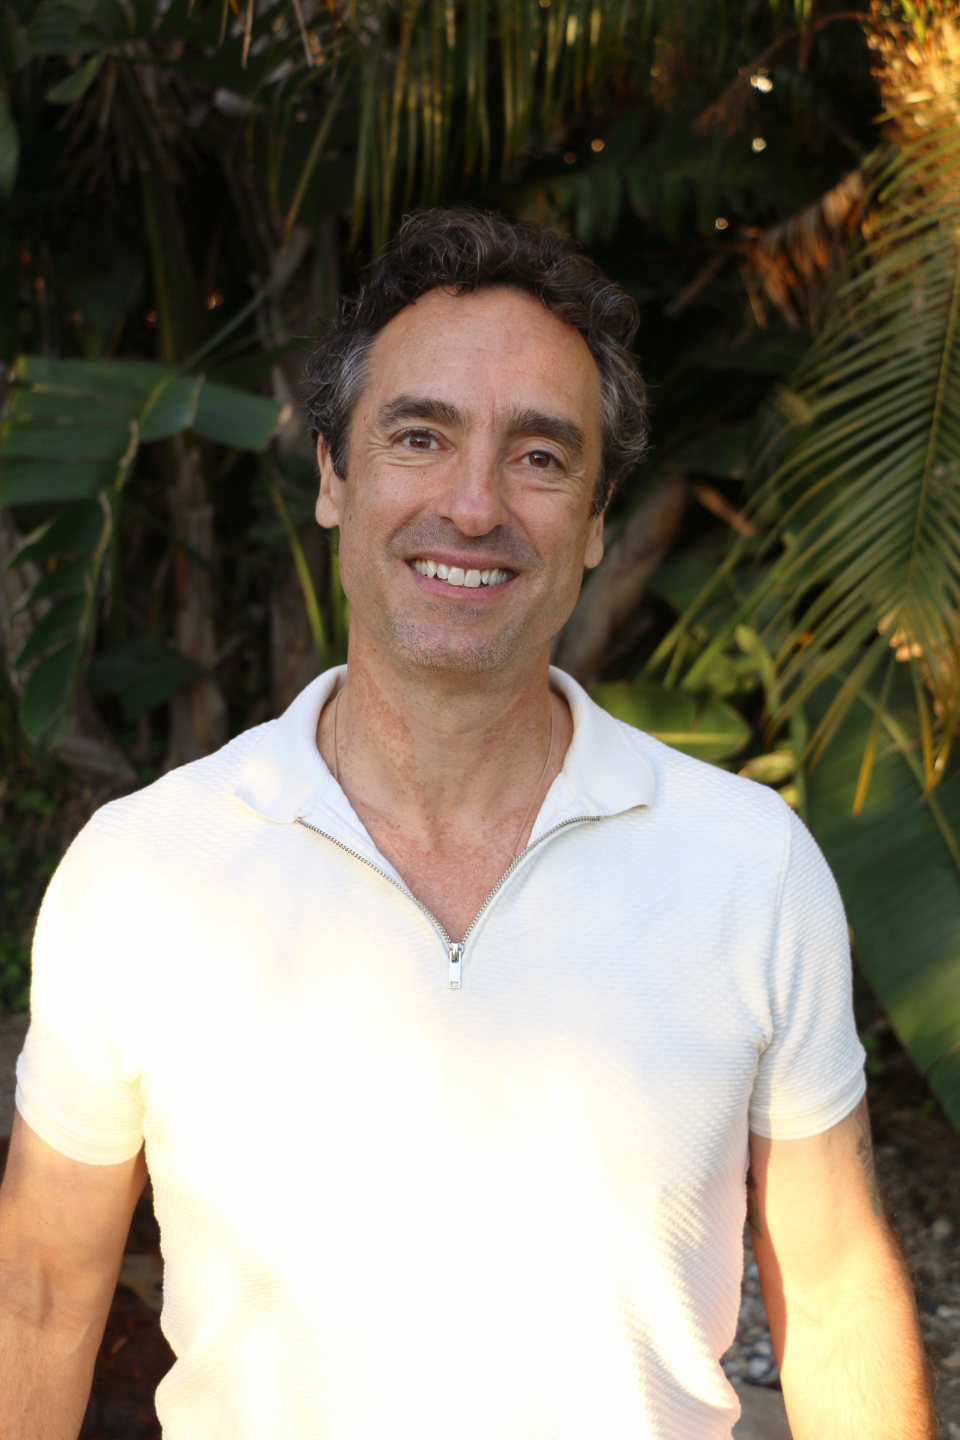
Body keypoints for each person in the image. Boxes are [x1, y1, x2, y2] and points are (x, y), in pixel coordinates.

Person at [0, 208, 933, 1440]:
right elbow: (41, 1293)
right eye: (420, 437)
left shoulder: (748, 867)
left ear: (595, 520)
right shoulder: (143, 872)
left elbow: (834, 1294)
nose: (475, 504)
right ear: (333, 478)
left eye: (540, 456)